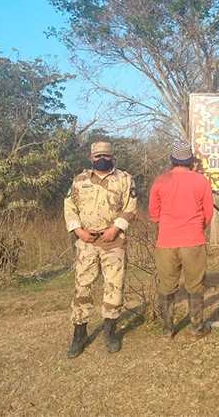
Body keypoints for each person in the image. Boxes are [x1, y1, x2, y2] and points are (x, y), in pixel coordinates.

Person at [63, 141, 138, 357]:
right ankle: (79, 335)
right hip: (86, 243)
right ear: (91, 157)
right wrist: (78, 231)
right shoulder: (80, 180)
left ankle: (110, 333)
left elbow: (131, 207)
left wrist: (115, 228)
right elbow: (69, 207)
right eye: (98, 156)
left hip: (113, 242)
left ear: (112, 156)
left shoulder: (124, 179)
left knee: (114, 287)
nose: (102, 159)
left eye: (106, 155)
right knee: (82, 287)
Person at [148, 140, 214, 339]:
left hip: (166, 241)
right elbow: (208, 213)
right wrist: (196, 228)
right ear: (191, 160)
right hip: (193, 240)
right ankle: (197, 328)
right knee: (195, 285)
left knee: (167, 286)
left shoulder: (160, 181)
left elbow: (153, 212)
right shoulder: (201, 181)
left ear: (172, 160)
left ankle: (167, 330)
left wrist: (168, 225)